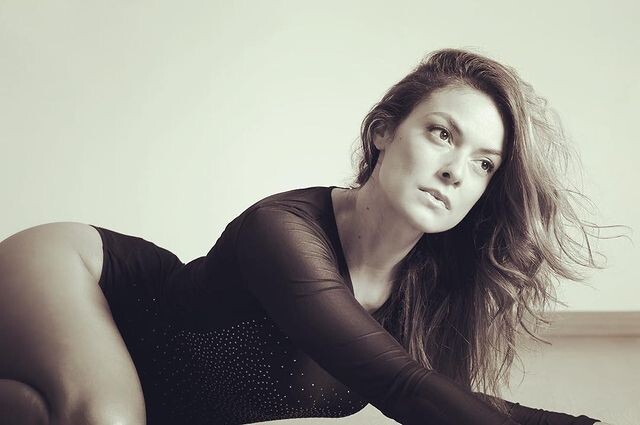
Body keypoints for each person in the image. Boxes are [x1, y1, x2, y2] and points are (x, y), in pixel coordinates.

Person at [0, 49, 617, 425]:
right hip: (81, 276)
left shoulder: (428, 292)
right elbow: (399, 387)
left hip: (154, 400)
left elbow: (442, 404)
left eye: (484, 164)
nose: (456, 170)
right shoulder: (284, 232)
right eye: (441, 134)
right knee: (106, 419)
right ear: (382, 132)